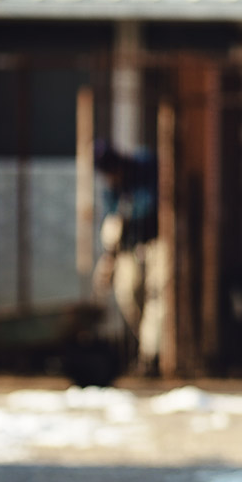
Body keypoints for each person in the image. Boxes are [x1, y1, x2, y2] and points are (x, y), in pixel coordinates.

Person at [91, 141, 165, 374]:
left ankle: (150, 355)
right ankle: (148, 345)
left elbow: (153, 203)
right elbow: (112, 221)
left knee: (157, 296)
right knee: (128, 295)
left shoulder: (145, 166)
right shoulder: (112, 188)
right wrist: (108, 257)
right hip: (129, 247)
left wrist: (129, 212)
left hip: (156, 240)